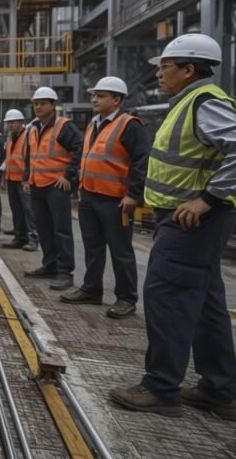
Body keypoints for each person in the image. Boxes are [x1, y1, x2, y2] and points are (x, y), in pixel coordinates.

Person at [110, 34, 236, 420]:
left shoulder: (204, 103)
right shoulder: (187, 103)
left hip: (193, 222)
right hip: (192, 221)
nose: (160, 74)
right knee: (207, 307)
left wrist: (207, 198)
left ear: (188, 69)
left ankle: (161, 389)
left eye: (165, 66)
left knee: (168, 301)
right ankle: (218, 391)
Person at [61, 76, 150, 319]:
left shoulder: (130, 125)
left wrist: (134, 195)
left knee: (120, 250)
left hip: (115, 200)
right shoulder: (93, 123)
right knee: (93, 247)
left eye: (100, 96)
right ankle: (91, 289)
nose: (94, 99)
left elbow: (142, 162)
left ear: (116, 99)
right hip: (89, 197)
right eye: (94, 95)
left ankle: (126, 298)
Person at [22, 87, 84, 291]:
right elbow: (30, 158)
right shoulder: (33, 128)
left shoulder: (63, 126)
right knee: (44, 228)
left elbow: (80, 148)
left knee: (61, 230)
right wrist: (27, 178)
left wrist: (68, 175)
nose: (37, 107)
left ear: (53, 105)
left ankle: (65, 272)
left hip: (55, 186)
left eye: (42, 103)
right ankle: (49, 265)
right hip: (38, 185)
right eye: (35, 103)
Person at [2, 109, 39, 252]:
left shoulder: (28, 136)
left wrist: (27, 179)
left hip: (23, 181)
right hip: (12, 178)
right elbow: (9, 159)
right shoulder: (11, 137)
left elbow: (31, 159)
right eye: (8, 123)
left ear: (21, 122)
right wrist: (4, 177)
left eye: (12, 122)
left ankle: (33, 239)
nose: (9, 125)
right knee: (16, 210)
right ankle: (20, 237)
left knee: (28, 210)